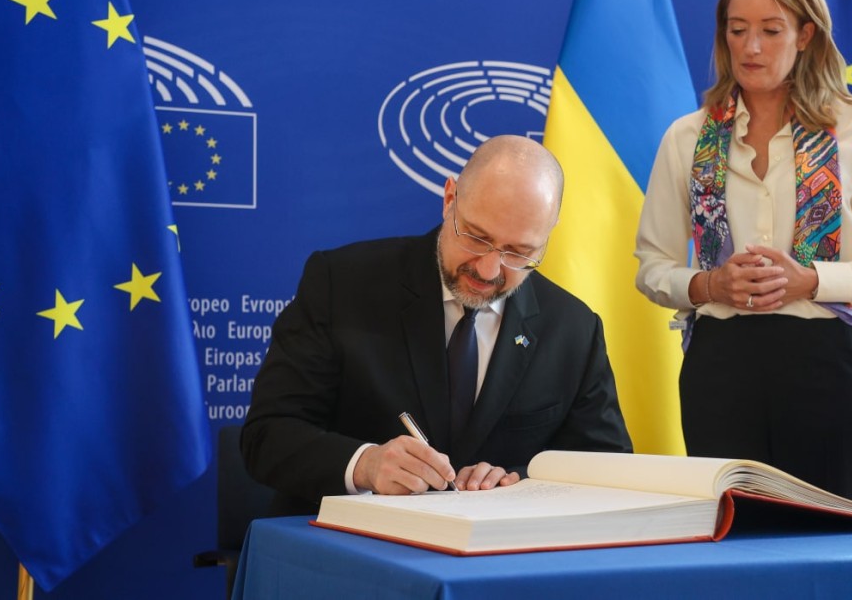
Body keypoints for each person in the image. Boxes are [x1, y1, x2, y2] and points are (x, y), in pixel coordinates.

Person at [634, 0, 852, 503]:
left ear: (805, 35)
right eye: (737, 30)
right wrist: (710, 285)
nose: (751, 47)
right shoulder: (688, 137)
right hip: (719, 366)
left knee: (825, 531)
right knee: (731, 531)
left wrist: (814, 281)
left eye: (771, 31)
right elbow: (651, 266)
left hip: (823, 362)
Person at [242, 134, 632, 515]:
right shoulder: (342, 284)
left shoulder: (573, 328)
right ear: (449, 200)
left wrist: (521, 482)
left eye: (518, 253)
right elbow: (267, 435)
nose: (489, 270)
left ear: (547, 238)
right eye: (476, 238)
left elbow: (606, 469)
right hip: (346, 545)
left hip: (498, 553)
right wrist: (366, 464)